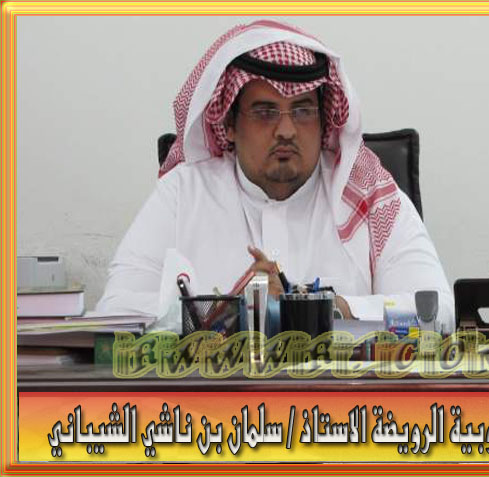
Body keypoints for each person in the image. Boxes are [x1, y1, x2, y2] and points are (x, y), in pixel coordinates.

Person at [97, 20, 455, 331]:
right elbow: (116, 312)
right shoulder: (183, 193)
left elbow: (439, 311)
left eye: (302, 111)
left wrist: (325, 308)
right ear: (230, 124)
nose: (286, 130)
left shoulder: (368, 195)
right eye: (265, 112)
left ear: (324, 121)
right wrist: (229, 312)